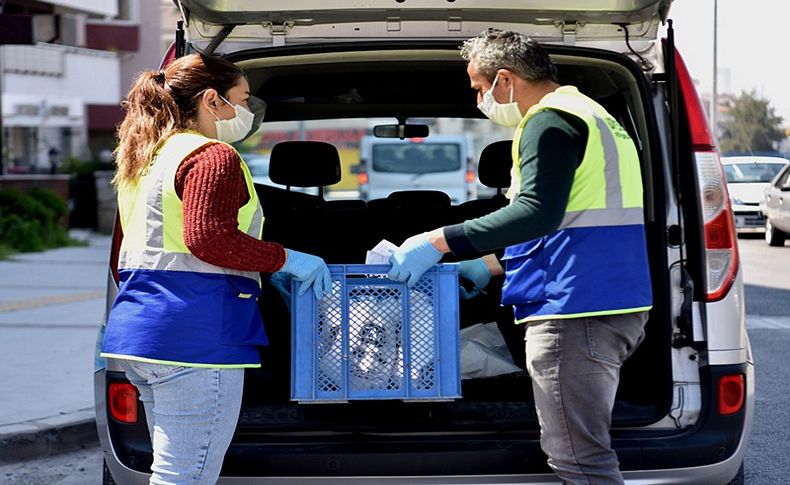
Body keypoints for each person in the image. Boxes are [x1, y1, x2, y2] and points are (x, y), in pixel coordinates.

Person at [387, 31, 652, 484]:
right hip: (610, 300)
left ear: (504, 80)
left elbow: (536, 213)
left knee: (580, 460)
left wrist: (438, 240)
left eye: (478, 88)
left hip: (575, 311)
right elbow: (574, 223)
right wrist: (490, 265)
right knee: (581, 452)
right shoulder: (594, 114)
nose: (479, 101)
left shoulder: (547, 121)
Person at [101, 52, 331, 485]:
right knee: (184, 477)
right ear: (212, 100)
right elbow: (209, 238)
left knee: (170, 472)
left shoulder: (148, 156)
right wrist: (285, 259)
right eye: (242, 99)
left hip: (141, 334)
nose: (247, 111)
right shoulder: (212, 156)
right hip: (195, 339)